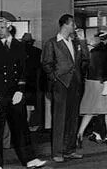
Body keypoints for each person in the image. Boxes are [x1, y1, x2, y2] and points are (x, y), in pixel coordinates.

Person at [0, 17, 46, 169]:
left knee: (21, 128)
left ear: (9, 27)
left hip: (15, 94)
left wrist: (20, 90)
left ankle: (29, 159)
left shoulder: (19, 46)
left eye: (2, 27)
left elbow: (24, 70)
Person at [42, 14, 88, 162]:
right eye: (73, 24)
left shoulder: (75, 43)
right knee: (59, 119)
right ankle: (57, 152)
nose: (75, 27)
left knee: (73, 118)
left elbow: (86, 60)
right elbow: (46, 64)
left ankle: (70, 150)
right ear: (66, 25)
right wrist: (55, 79)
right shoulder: (52, 43)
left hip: (75, 83)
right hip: (61, 84)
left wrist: (83, 40)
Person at [76, 29, 107, 147]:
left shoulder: (92, 50)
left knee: (90, 110)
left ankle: (79, 133)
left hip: (90, 82)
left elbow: (84, 66)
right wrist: (106, 83)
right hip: (103, 82)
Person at [21, 33, 42, 129]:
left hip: (21, 80)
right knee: (31, 103)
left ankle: (23, 122)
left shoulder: (19, 51)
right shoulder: (37, 52)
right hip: (33, 80)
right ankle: (29, 121)